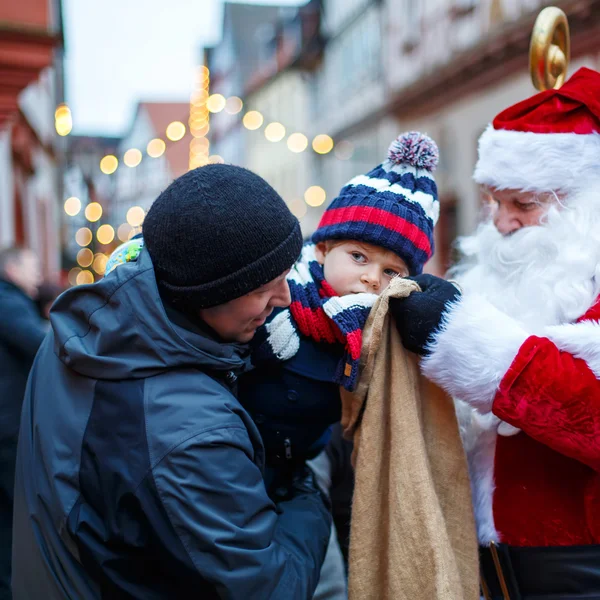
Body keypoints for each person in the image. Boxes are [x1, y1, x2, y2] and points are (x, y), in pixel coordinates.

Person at [11, 164, 331, 599]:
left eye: (286, 273)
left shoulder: (88, 328)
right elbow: (274, 589)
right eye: (262, 288)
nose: (285, 298)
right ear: (206, 293)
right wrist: (304, 487)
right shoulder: (190, 433)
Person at [392, 67, 600, 598]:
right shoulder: (505, 277)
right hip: (494, 566)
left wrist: (467, 343)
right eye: (493, 201)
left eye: (523, 204)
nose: (501, 223)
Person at [238, 132, 444, 599]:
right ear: (322, 249)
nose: (372, 277)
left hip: (301, 475)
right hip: (234, 462)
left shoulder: (381, 331)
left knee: (324, 580)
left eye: (392, 271)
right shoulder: (280, 302)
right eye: (358, 257)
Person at [0, 246, 45, 600]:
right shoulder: (8, 301)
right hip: (9, 431)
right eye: (31, 267)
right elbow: (41, 344)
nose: (38, 275)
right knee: (15, 518)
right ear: (12, 269)